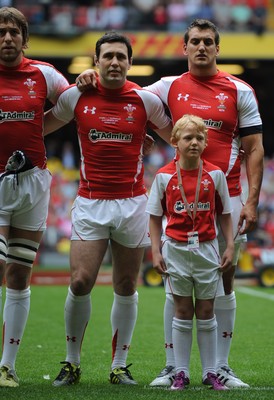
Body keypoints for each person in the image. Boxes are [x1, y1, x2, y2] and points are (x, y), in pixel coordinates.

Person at [76, 18, 264, 388]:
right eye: (195, 41)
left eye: (208, 42)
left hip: (227, 195)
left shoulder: (239, 89)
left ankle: (221, 367)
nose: (201, 47)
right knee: (173, 282)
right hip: (179, 199)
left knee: (225, 280)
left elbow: (255, 148)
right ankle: (172, 365)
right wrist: (89, 76)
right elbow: (123, 92)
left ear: (217, 48)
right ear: (185, 48)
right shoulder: (168, 86)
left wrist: (252, 202)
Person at [43, 31, 172, 386]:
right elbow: (39, 127)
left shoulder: (145, 101)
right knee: (81, 281)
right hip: (90, 202)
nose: (114, 62)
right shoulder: (77, 96)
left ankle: (120, 365)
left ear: (129, 63)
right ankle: (71, 362)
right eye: (108, 56)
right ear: (96, 61)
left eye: (121, 56)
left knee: (127, 284)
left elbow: (177, 136)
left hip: (132, 204)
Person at [0, 6, 69, 388]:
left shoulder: (42, 74)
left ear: (25, 39)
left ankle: (7, 365)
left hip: (32, 183)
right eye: (1, 31)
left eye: (14, 32)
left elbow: (71, 102)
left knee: (19, 274)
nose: (7, 38)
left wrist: (40, 127)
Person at [146, 114, 234, 390]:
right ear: (175, 142)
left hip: (207, 249)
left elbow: (226, 215)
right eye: (188, 138)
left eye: (199, 138)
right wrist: (156, 251)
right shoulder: (163, 176)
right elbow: (153, 216)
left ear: (206, 142)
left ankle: (210, 372)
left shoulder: (215, 174)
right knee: (182, 310)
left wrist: (229, 245)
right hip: (175, 249)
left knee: (207, 310)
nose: (194, 142)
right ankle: (181, 372)